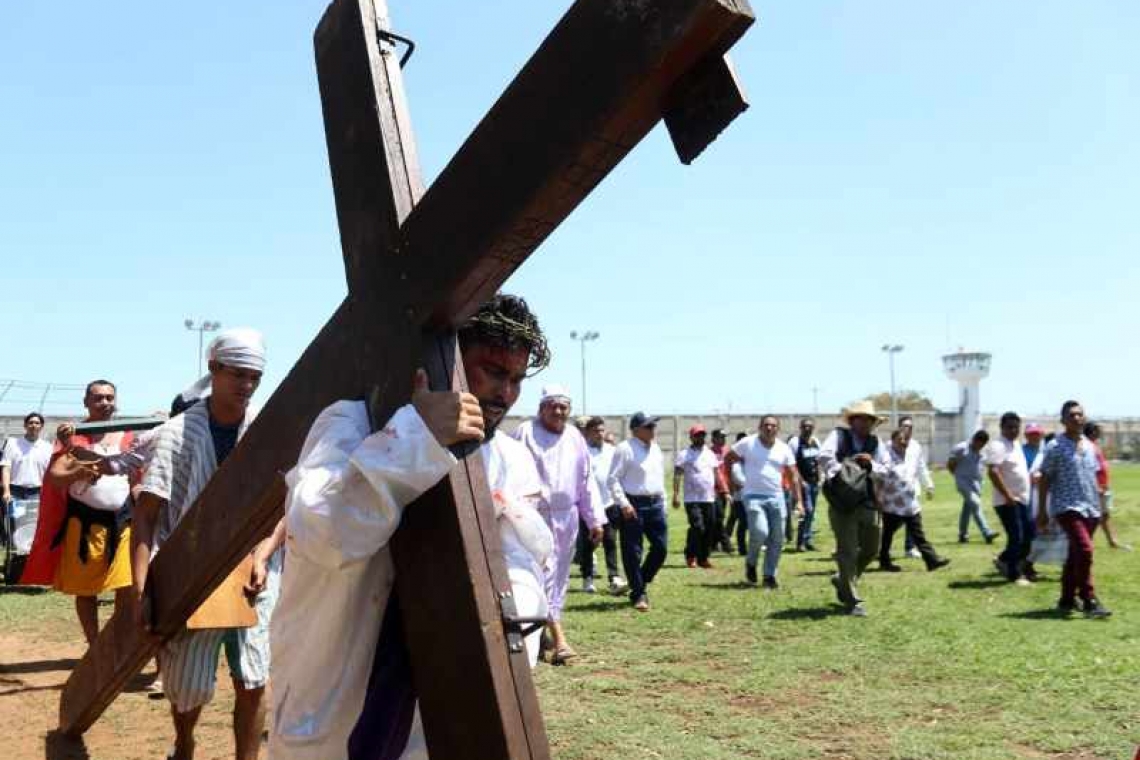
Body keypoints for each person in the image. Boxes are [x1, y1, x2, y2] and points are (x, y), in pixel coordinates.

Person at [269, 294, 555, 760]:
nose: (506, 394)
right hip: (330, 703)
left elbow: (522, 565)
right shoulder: (352, 422)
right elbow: (324, 533)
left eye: (517, 379)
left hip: (431, 716)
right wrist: (415, 438)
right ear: (449, 361)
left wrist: (501, 617)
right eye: (494, 371)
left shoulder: (506, 457)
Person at [132, 329, 283, 760]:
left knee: (253, 677)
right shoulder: (176, 435)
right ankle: (184, 744)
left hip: (253, 572)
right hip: (189, 572)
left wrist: (262, 556)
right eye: (238, 374)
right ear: (214, 368)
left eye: (255, 377)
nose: (247, 386)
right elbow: (146, 517)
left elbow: (282, 505)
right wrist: (143, 592)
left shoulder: (265, 431)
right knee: (187, 683)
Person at [20, 381, 137, 644]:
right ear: (86, 402)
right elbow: (56, 476)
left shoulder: (130, 436)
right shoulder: (74, 437)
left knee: (126, 586)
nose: (105, 402)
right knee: (86, 590)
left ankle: (117, 641)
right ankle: (95, 646)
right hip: (85, 524)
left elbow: (138, 476)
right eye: (98, 398)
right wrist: (80, 470)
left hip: (124, 522)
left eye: (109, 398)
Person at [513, 385, 604, 664]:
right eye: (552, 405)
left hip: (567, 517)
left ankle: (542, 633)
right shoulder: (524, 432)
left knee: (559, 575)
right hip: (532, 515)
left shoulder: (575, 437)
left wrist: (594, 519)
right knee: (541, 572)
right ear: (541, 408)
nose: (558, 411)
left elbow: (586, 481)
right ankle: (559, 640)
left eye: (563, 406)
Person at [1037, 401, 1111, 618]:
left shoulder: (1090, 446)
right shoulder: (1055, 447)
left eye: (1080, 415)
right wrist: (1042, 510)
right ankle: (1089, 599)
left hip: (1091, 508)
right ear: (1063, 421)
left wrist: (1103, 506)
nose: (1077, 418)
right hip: (1067, 507)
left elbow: (1094, 477)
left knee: (1075, 554)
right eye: (1072, 415)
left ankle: (1067, 599)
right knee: (1085, 550)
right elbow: (1044, 478)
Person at [817, 401, 891, 617]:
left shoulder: (876, 443)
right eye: (861, 418)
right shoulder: (839, 436)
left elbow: (886, 470)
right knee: (847, 550)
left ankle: (843, 581)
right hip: (842, 501)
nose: (866, 422)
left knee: (871, 548)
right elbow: (824, 456)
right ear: (852, 420)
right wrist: (845, 471)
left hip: (867, 500)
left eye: (870, 419)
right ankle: (852, 600)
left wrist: (871, 465)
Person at [724, 415, 801, 589]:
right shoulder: (748, 443)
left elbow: (793, 475)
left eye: (773, 425)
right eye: (766, 425)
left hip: (776, 497)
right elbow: (728, 458)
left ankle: (769, 575)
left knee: (777, 538)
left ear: (777, 429)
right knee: (759, 532)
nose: (769, 428)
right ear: (760, 427)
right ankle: (751, 562)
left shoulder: (783, 448)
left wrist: (799, 501)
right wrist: (731, 483)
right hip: (752, 496)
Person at [608, 412, 667, 611]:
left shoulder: (657, 449)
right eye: (649, 426)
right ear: (636, 430)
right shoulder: (625, 449)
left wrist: (663, 503)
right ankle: (639, 592)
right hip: (633, 504)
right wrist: (623, 503)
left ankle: (638, 581)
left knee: (661, 549)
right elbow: (613, 479)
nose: (653, 430)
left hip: (655, 504)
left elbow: (659, 479)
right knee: (633, 551)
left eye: (653, 426)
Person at [877, 429, 950, 573]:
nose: (903, 442)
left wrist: (928, 485)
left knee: (918, 534)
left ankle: (932, 560)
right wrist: (879, 499)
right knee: (887, 535)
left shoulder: (911, 454)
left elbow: (919, 470)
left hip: (910, 504)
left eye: (905, 439)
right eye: (900, 439)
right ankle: (884, 561)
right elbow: (879, 479)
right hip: (892, 504)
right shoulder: (886, 456)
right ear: (892, 442)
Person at [577, 416, 626, 594]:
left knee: (610, 541)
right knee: (589, 543)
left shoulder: (612, 451)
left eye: (602, 430)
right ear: (588, 432)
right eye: (596, 431)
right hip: (588, 506)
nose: (600, 434)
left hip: (609, 503)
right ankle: (587, 578)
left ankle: (614, 577)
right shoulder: (582, 452)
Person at [984, 412, 1035, 585]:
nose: (1013, 430)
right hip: (1007, 501)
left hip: (1022, 498)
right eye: (1009, 427)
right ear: (1002, 427)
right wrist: (1007, 495)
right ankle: (1014, 574)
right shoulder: (998, 446)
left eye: (1016, 427)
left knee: (1029, 535)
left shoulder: (1016, 444)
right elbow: (993, 472)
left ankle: (1004, 559)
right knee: (1017, 537)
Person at [673, 425, 724, 569]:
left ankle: (703, 558)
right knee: (698, 527)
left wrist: (723, 491)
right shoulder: (684, 454)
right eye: (697, 435)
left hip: (709, 497)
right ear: (691, 437)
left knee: (709, 528)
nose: (700, 438)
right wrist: (676, 494)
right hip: (692, 499)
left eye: (702, 435)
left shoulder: (710, 454)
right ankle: (690, 555)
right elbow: (677, 474)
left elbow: (716, 473)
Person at [1, 412, 52, 544]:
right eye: (30, 423)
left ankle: (29, 555)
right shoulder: (13, 444)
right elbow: (6, 467)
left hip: (37, 492)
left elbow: (50, 473)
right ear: (25, 425)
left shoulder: (47, 447)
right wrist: (6, 491)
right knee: (14, 523)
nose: (33, 425)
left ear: (41, 427)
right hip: (15, 492)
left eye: (37, 423)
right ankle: (15, 554)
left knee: (33, 525)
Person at [948, 430, 998, 544]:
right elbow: (951, 464)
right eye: (979, 444)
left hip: (977, 483)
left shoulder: (983, 451)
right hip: (963, 482)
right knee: (975, 504)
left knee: (968, 509)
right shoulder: (961, 448)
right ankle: (987, 532)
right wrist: (957, 476)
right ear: (974, 440)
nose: (980, 447)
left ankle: (963, 535)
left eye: (982, 445)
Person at [1084, 421, 1128, 550]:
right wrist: (1097, 486)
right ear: (1092, 431)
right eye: (1099, 430)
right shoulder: (1088, 447)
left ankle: (1111, 541)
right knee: (1096, 517)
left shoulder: (1094, 445)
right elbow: (1088, 469)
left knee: (1104, 516)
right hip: (1097, 488)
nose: (1101, 432)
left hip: (1103, 487)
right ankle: (1086, 542)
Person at [897, 415, 934, 559]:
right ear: (899, 427)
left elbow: (921, 467)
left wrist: (929, 485)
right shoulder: (890, 445)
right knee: (893, 522)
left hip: (912, 490)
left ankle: (910, 548)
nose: (908, 429)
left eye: (910, 427)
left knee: (913, 520)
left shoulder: (916, 446)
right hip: (895, 491)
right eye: (905, 426)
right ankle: (878, 547)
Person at [786, 418, 821, 552]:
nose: (808, 429)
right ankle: (800, 542)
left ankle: (808, 540)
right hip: (801, 483)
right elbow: (792, 465)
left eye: (810, 426)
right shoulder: (795, 443)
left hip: (814, 482)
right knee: (806, 511)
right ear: (800, 428)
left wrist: (819, 477)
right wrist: (800, 481)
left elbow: (818, 460)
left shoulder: (816, 441)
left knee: (811, 514)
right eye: (805, 426)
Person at [709, 428, 734, 553]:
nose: (723, 439)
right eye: (720, 437)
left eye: (724, 437)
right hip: (713, 489)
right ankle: (726, 544)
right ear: (713, 439)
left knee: (720, 516)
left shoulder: (728, 452)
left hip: (726, 488)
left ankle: (713, 544)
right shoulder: (708, 453)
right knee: (717, 517)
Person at [723, 432, 748, 555]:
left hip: (751, 498)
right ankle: (742, 548)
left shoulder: (751, 464)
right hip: (740, 499)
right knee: (742, 523)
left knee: (745, 523)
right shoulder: (736, 465)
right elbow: (739, 479)